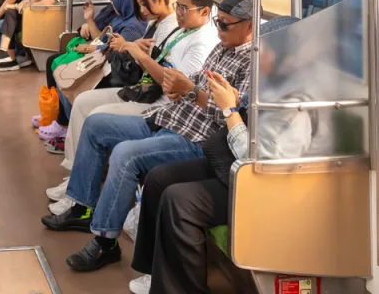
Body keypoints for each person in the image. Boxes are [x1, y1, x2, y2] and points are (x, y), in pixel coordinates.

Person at [41, 0, 257, 274]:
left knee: (125, 154)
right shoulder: (221, 47)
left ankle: (105, 242)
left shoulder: (254, 64)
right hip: (169, 117)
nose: (219, 29)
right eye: (219, 22)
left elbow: (231, 118)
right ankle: (82, 207)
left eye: (225, 24)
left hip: (195, 138)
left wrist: (190, 91)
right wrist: (178, 85)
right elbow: (195, 81)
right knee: (96, 125)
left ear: (249, 26)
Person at [128, 16, 311, 294]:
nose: (257, 56)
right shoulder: (271, 82)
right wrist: (235, 100)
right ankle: (154, 272)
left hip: (261, 183)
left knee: (179, 200)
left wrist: (229, 110)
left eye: (263, 51)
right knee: (158, 179)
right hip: (235, 167)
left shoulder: (295, 101)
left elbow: (255, 160)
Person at [45, 0, 218, 196]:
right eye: (178, 6)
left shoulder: (200, 41)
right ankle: (75, 174)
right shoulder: (181, 30)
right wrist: (139, 51)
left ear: (205, 12)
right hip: (145, 89)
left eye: (185, 8)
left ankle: (81, 184)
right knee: (81, 102)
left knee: (95, 117)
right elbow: (160, 64)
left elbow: (173, 87)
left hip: (158, 102)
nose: (179, 13)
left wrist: (137, 53)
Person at [38, 0, 147, 145]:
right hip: (105, 64)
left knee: (70, 84)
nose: (111, 0)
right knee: (63, 76)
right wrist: (89, 21)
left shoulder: (133, 26)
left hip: (115, 73)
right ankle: (67, 124)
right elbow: (103, 40)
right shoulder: (120, 18)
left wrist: (92, 47)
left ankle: (71, 129)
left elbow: (115, 50)